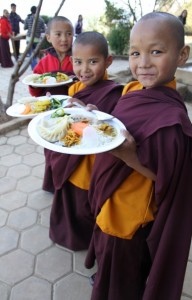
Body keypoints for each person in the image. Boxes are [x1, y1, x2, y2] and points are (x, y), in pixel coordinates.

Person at [85, 12, 192, 300]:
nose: (143, 63)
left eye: (156, 51)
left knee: (121, 269)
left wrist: (130, 157)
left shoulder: (171, 119)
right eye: (136, 53)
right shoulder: (136, 88)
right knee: (105, 251)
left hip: (130, 214)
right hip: (110, 196)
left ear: (182, 54)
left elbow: (170, 179)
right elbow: (122, 122)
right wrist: (94, 114)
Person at [48, 31, 123, 251]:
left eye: (93, 61)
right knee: (69, 198)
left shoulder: (115, 93)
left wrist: (96, 114)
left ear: (108, 61)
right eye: (79, 62)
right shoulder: (74, 89)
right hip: (70, 152)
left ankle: (90, 241)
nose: (84, 69)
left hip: (90, 163)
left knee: (84, 203)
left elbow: (113, 127)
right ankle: (69, 236)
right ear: (72, 61)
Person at [27, 16, 75, 199]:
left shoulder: (77, 57)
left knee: (69, 143)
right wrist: (38, 89)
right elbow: (34, 84)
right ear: (48, 37)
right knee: (51, 147)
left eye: (69, 34)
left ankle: (69, 185)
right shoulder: (44, 62)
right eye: (58, 34)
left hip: (71, 109)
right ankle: (52, 182)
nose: (64, 39)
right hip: (50, 112)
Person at [24, 6, 45, 70]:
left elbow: (25, 27)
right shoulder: (41, 19)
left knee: (31, 54)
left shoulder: (28, 18)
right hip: (37, 39)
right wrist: (38, 31)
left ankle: (34, 68)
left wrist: (30, 27)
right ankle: (36, 67)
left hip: (29, 39)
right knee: (35, 54)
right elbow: (44, 30)